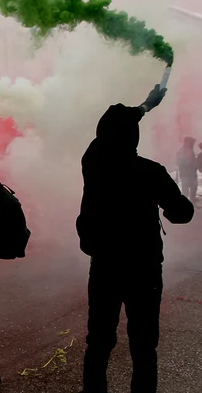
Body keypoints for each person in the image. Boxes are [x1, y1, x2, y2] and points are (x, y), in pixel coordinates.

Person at [77, 86, 194, 393]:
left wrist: (144, 106)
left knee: (99, 342)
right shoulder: (151, 172)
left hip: (104, 265)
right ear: (133, 137)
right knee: (143, 348)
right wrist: (172, 210)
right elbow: (182, 212)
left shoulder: (93, 163)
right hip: (144, 269)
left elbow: (110, 129)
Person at [177, 137, 198, 203]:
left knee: (193, 188)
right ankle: (184, 205)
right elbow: (179, 163)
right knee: (185, 191)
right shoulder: (181, 152)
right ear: (186, 142)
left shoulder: (191, 151)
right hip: (185, 174)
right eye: (191, 142)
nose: (192, 144)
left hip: (192, 174)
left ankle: (192, 203)